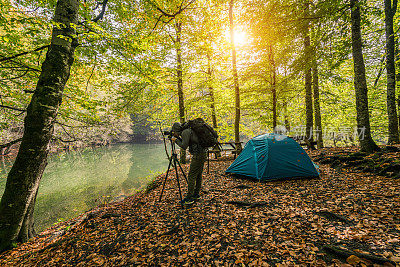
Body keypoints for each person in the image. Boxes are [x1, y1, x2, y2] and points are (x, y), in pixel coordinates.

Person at [170, 122, 207, 205]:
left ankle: (189, 198)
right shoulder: (188, 131)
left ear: (176, 130)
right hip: (202, 153)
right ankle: (196, 194)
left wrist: (175, 140)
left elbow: (184, 146)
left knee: (191, 176)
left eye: (174, 132)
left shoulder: (185, 132)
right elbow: (186, 142)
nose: (174, 133)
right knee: (198, 174)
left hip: (198, 155)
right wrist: (177, 138)